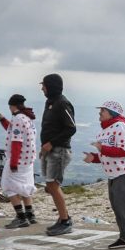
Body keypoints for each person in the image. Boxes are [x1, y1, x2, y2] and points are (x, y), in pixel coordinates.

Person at [83, 101, 125, 250]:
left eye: (102, 111)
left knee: (123, 206)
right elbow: (106, 155)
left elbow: (124, 151)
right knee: (117, 207)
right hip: (115, 174)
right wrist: (94, 157)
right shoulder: (103, 132)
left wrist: (102, 149)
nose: (99, 114)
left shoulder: (122, 127)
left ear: (112, 113)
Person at [39, 73, 76, 236]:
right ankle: (63, 218)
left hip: (59, 150)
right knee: (50, 186)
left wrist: (51, 143)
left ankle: (65, 220)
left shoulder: (62, 103)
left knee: (53, 185)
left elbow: (71, 128)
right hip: (50, 150)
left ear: (51, 86)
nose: (42, 88)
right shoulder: (51, 103)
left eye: (44, 85)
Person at [0, 94, 38, 229]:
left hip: (18, 160)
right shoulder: (27, 118)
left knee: (7, 185)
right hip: (28, 160)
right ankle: (30, 215)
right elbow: (14, 131)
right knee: (25, 186)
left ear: (12, 106)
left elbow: (16, 142)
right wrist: (3, 120)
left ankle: (21, 217)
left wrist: (13, 162)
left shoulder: (18, 119)